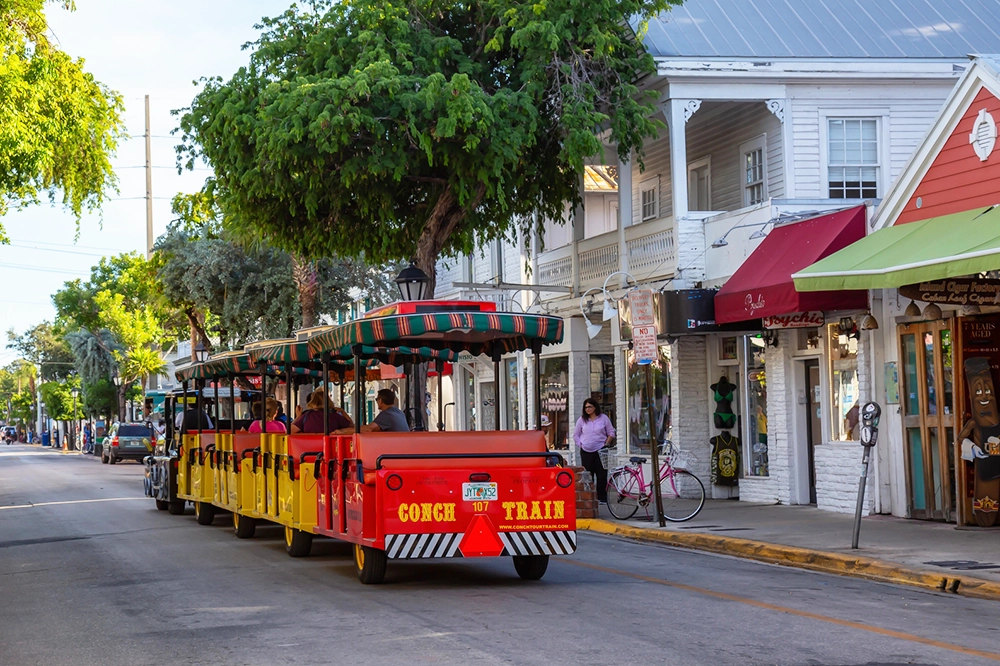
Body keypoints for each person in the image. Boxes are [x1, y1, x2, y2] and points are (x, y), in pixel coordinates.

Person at [573, 398, 615, 504]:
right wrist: (580, 444)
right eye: (586, 407)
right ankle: (589, 497)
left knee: (601, 474)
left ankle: (602, 498)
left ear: (595, 407)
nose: (588, 409)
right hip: (586, 451)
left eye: (590, 406)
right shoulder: (582, 420)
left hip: (600, 449)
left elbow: (611, 432)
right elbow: (576, 434)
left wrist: (606, 443)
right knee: (588, 474)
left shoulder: (603, 418)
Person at [337, 389, 409, 434]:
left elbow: (369, 429)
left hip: (393, 449)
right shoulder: (399, 412)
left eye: (377, 399)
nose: (377, 402)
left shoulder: (386, 414)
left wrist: (343, 431)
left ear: (380, 400)